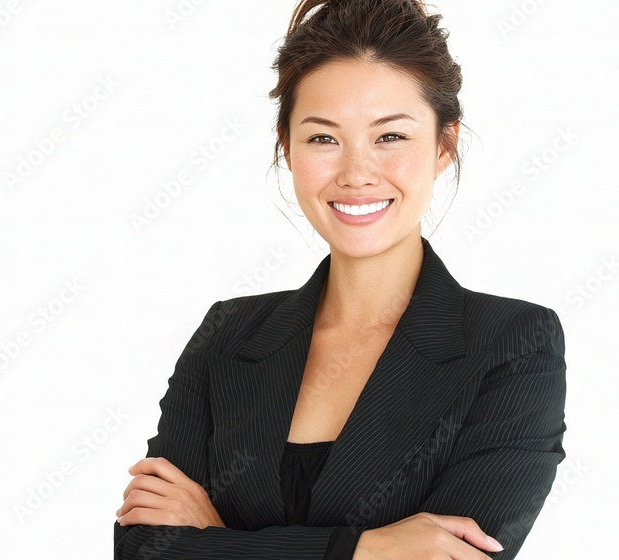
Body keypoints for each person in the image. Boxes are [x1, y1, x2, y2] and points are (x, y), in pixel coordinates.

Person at [113, 0, 567, 559]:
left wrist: (216, 537)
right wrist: (365, 549)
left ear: (444, 145)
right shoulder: (229, 332)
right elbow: (144, 548)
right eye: (323, 139)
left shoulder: (514, 343)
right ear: (287, 145)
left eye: (390, 136)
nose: (356, 174)